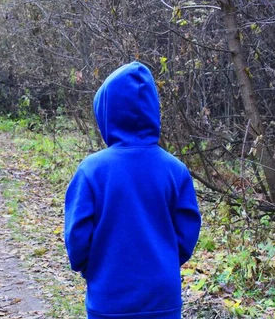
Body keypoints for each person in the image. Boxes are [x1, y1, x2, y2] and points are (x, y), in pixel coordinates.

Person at [64, 62, 201, 318]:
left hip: (109, 298)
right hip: (163, 299)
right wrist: (165, 260)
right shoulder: (175, 169)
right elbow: (187, 232)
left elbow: (77, 236)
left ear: (106, 114)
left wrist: (90, 267)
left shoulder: (91, 170)